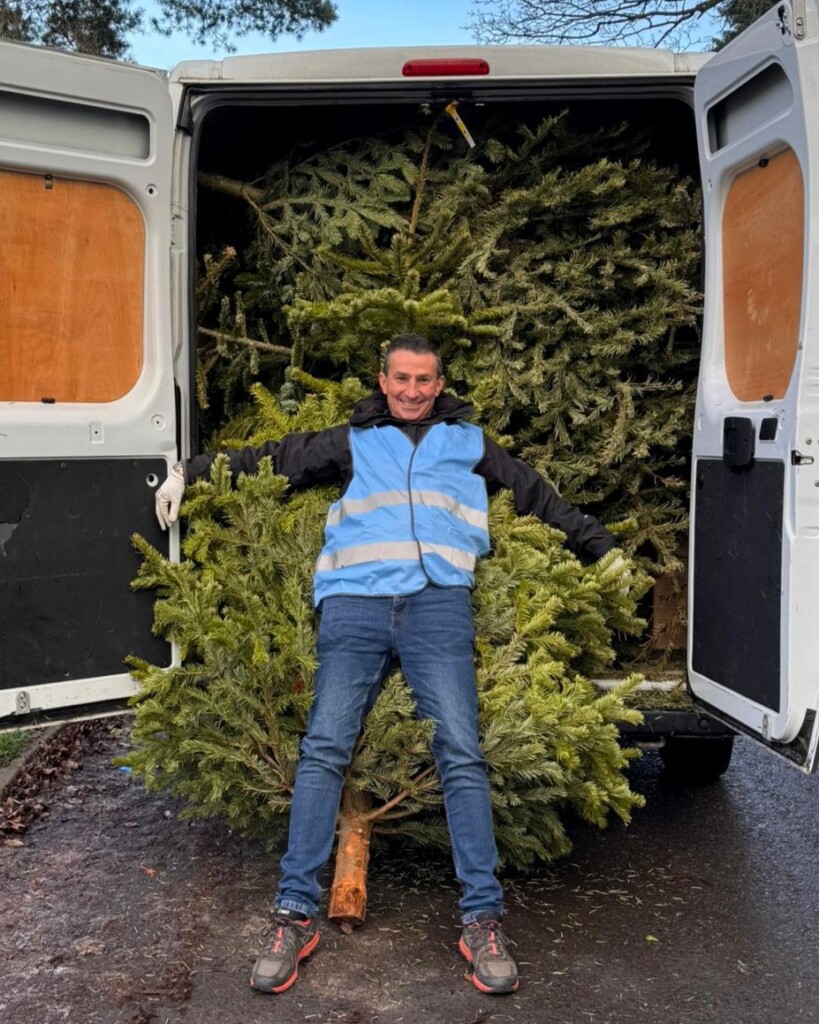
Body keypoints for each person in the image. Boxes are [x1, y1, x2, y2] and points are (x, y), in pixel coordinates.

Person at [155, 334, 619, 996]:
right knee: (323, 750)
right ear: (382, 381)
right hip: (356, 606)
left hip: (437, 608)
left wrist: (598, 548)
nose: (410, 390)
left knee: (460, 752)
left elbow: (533, 492)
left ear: (438, 384)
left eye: (422, 380)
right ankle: (293, 915)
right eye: (399, 379)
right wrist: (187, 473)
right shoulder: (353, 439)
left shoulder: (468, 442)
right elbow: (272, 460)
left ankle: (481, 920)